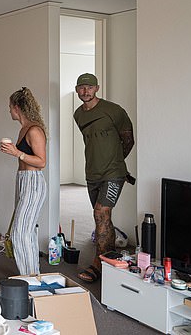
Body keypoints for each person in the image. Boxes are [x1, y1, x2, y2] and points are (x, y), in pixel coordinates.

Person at [73, 73, 134, 283]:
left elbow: (128, 139)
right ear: (77, 90)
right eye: (82, 88)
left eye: (89, 87)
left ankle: (98, 265)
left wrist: (116, 163)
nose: (85, 91)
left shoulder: (114, 111)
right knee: (102, 219)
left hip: (113, 172)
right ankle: (111, 262)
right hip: (92, 173)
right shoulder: (78, 115)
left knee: (101, 212)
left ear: (97, 88)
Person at [0, 87, 47, 276]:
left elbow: (41, 162)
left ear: (17, 107)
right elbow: (26, 157)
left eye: (10, 107)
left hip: (33, 182)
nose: (9, 110)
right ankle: (33, 274)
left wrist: (17, 153)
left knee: (20, 233)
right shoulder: (24, 129)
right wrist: (15, 153)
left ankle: (30, 279)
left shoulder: (34, 130)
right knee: (27, 231)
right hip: (23, 180)